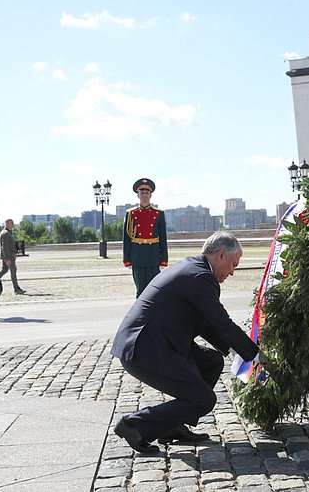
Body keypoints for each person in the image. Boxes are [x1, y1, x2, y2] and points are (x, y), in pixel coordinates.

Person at [111, 232, 265, 453]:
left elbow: (207, 324)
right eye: (233, 264)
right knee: (203, 400)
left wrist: (239, 352)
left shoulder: (194, 268)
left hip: (159, 343)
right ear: (221, 255)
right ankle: (134, 425)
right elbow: (221, 322)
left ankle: (171, 426)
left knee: (211, 362)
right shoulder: (200, 277)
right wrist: (256, 355)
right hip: (145, 349)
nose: (232, 272)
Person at [123, 178, 169, 297]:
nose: (144, 195)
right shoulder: (131, 213)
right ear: (138, 195)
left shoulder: (158, 213)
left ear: (151, 195)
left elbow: (163, 238)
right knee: (140, 290)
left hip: (153, 255)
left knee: (153, 289)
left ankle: (153, 314)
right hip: (137, 255)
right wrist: (127, 259)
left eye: (147, 193)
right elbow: (127, 239)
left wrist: (164, 259)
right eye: (142, 193)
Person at [0, 219, 25, 295]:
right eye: (11, 223)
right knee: (13, 271)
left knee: (4, 270)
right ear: (7, 224)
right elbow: (4, 247)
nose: (13, 224)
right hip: (8, 255)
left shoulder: (9, 232)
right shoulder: (5, 233)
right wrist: (7, 258)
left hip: (9, 255)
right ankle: (16, 288)